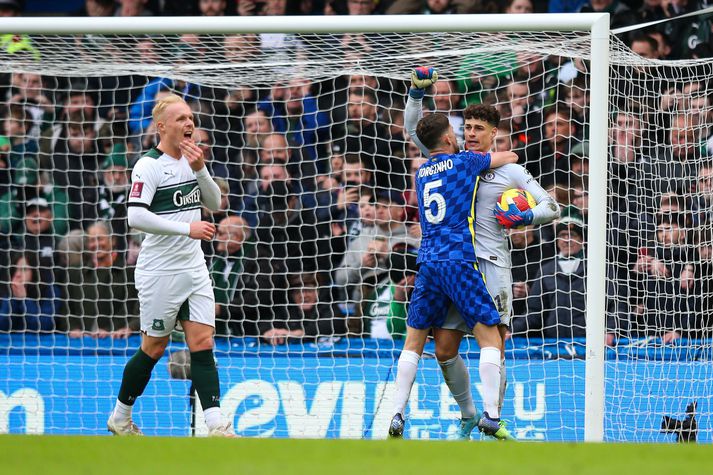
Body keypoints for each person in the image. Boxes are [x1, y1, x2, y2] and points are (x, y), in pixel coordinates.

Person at [395, 67, 559, 440]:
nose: (470, 134)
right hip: (455, 264)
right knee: (444, 349)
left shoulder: (512, 171)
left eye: (478, 129)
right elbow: (411, 129)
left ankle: (493, 419)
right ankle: (470, 415)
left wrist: (525, 217)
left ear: (493, 135)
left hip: (493, 265)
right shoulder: (449, 160)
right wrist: (415, 96)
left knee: (495, 345)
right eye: (466, 127)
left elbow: (552, 207)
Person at [107, 94, 234, 436]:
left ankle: (216, 425)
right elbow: (135, 216)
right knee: (154, 347)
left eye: (190, 118)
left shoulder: (193, 160)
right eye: (180, 119)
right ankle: (120, 417)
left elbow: (215, 202)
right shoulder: (149, 165)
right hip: (160, 270)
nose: (189, 124)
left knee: (203, 342)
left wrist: (201, 169)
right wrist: (186, 228)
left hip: (193, 267)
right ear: (161, 127)